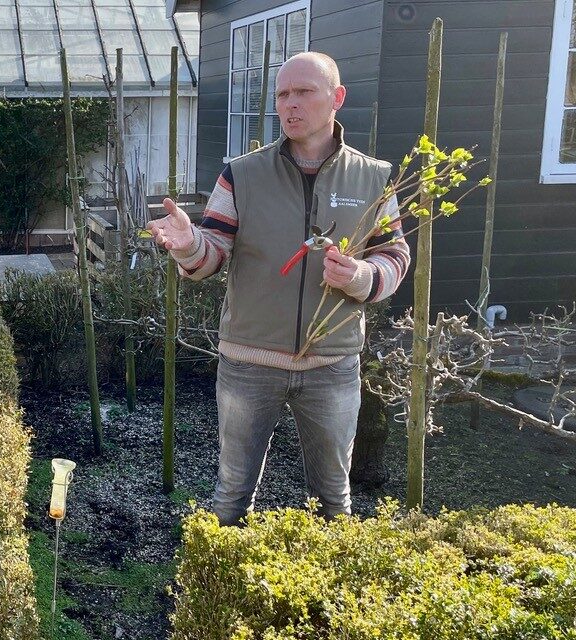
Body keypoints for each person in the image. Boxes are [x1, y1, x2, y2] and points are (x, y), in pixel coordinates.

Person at [147, 52, 412, 526]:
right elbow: (213, 255)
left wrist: (361, 278)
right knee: (231, 497)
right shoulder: (241, 174)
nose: (290, 105)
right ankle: (217, 592)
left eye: (304, 92)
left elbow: (395, 258)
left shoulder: (374, 178)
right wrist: (189, 246)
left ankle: (324, 596)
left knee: (333, 501)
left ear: (337, 97)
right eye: (282, 95)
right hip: (249, 361)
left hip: (333, 365)